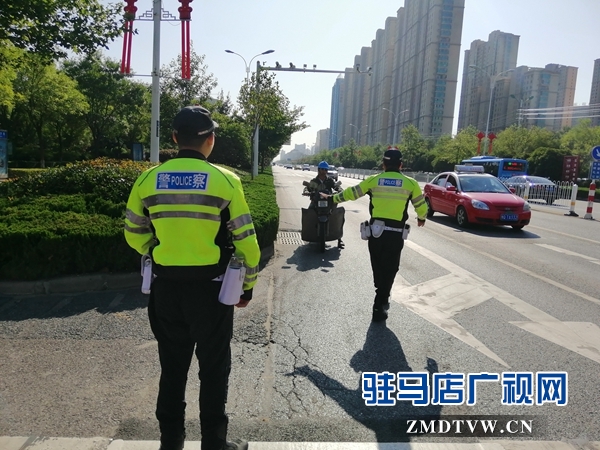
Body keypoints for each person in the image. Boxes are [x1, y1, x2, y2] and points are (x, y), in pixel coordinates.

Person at [124, 105, 260, 450]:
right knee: (214, 369)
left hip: (166, 290)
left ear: (174, 138)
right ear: (210, 139)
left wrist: (155, 250)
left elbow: (133, 232)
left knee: (172, 369)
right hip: (212, 293)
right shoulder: (226, 181)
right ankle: (214, 443)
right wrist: (246, 287)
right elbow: (247, 242)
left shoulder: (147, 179)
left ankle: (170, 443)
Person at [321, 147, 427, 322]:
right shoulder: (411, 183)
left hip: (376, 234)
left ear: (383, 164)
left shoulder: (374, 180)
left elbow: (352, 193)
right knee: (391, 268)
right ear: (401, 165)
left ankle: (381, 294)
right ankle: (381, 301)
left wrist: (332, 198)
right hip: (395, 235)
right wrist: (422, 218)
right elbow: (421, 206)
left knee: (377, 266)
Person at [306, 160, 345, 249]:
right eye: (322, 169)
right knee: (308, 214)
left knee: (338, 215)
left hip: (329, 202)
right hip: (316, 202)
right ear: (318, 170)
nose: (324, 171)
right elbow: (308, 188)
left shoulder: (329, 180)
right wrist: (307, 192)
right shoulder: (314, 181)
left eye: (325, 170)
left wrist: (339, 190)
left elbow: (336, 187)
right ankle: (307, 233)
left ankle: (339, 239)